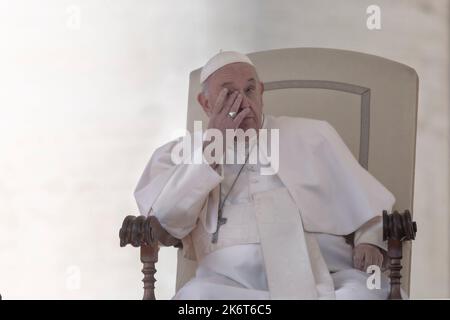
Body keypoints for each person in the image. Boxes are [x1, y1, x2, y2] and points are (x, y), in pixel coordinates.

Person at [134, 51, 398, 299]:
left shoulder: (314, 135)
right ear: (205, 103)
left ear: (261, 92)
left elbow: (368, 204)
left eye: (249, 90)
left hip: (327, 277)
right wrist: (213, 149)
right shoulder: (179, 153)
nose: (243, 103)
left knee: (359, 295)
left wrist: (370, 241)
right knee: (197, 299)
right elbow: (166, 219)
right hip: (227, 283)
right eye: (228, 94)